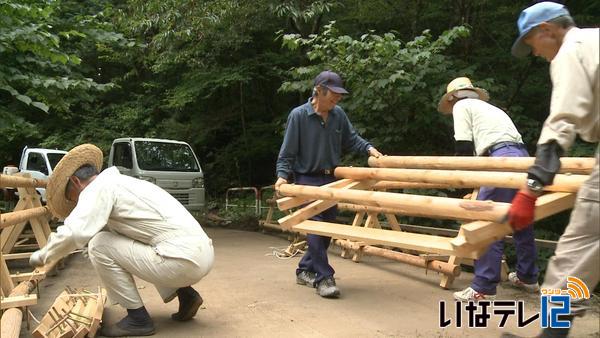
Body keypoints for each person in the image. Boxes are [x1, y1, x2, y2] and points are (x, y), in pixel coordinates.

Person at [29, 144, 214, 337]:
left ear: (76, 182)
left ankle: (138, 319)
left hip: (181, 261)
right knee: (121, 239)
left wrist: (43, 255)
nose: (75, 203)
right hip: (202, 254)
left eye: (71, 198)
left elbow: (75, 233)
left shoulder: (96, 189)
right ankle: (187, 295)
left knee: (99, 245)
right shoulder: (126, 183)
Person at [506, 2, 599, 337]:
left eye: (532, 44)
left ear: (547, 29)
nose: (535, 54)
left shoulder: (572, 48)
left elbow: (562, 122)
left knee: (574, 250)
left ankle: (550, 334)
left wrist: (530, 190)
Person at [275, 70, 383, 298]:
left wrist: (369, 149)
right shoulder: (299, 116)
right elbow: (288, 152)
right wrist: (282, 176)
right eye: (333, 94)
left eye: (339, 95)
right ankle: (324, 278)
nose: (337, 99)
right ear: (318, 91)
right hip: (306, 180)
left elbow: (352, 138)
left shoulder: (338, 115)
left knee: (326, 232)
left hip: (331, 179)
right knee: (316, 227)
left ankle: (304, 269)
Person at [437, 77, 540, 302]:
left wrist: (461, 179)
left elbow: (463, 147)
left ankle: (482, 287)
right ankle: (527, 276)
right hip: (522, 158)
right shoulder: (491, 109)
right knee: (520, 217)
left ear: (453, 96)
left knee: (486, 220)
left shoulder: (462, 106)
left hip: (500, 159)